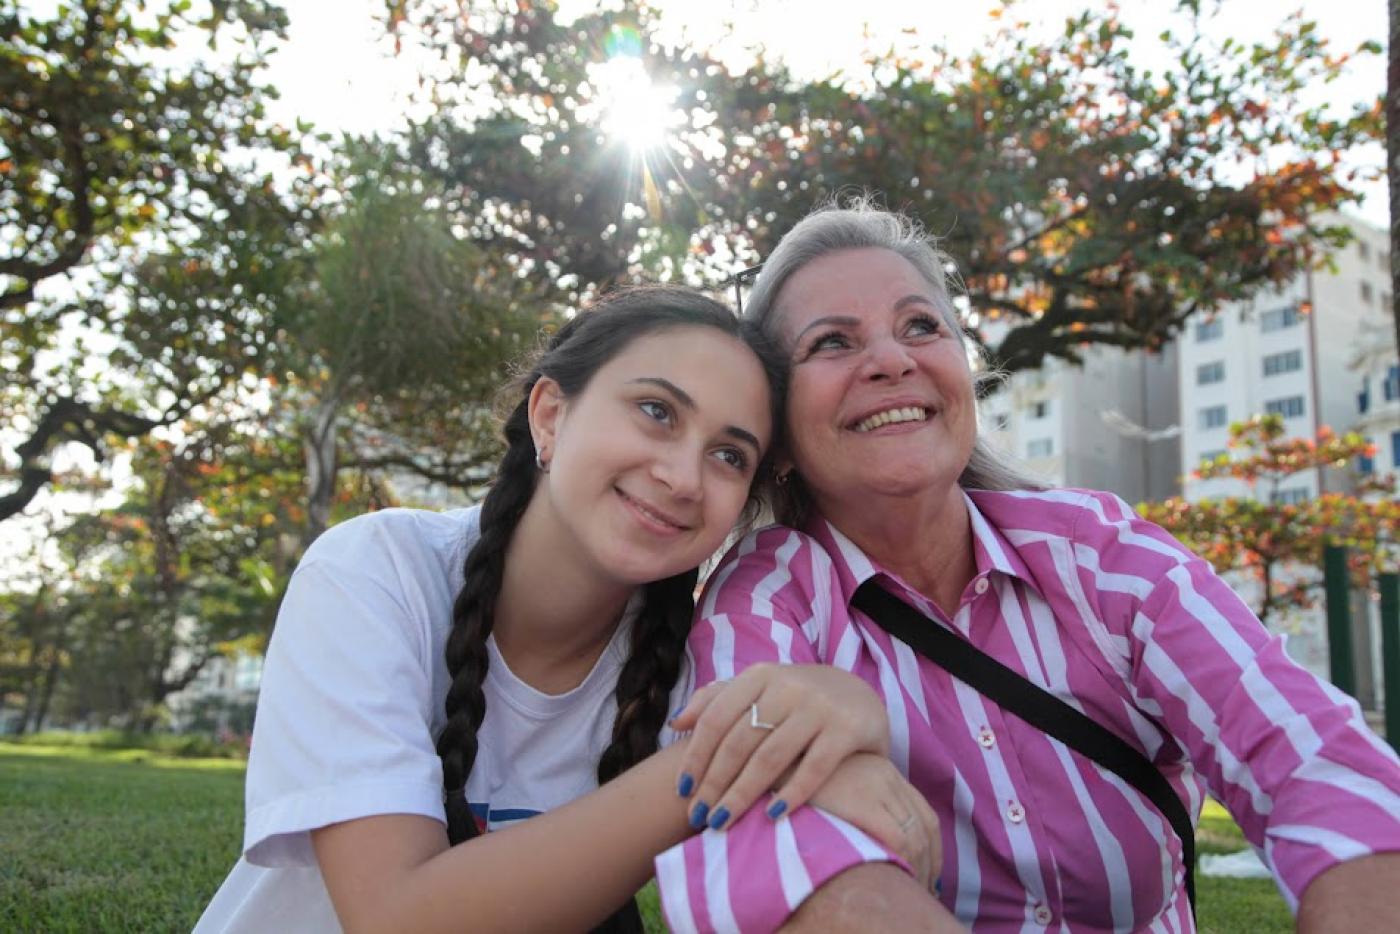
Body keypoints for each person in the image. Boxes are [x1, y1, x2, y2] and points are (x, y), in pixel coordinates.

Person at [654, 200, 1400, 932]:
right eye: (831, 343)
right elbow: (753, 843)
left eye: (921, 325)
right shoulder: (765, 594)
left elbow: (1314, 763)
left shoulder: (1102, 556)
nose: (891, 359)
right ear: (778, 437)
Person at [194, 286, 938, 933]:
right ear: (549, 415)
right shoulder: (376, 572)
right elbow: (396, 917)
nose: (683, 476)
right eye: (656, 411)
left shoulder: (687, 662)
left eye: (729, 456)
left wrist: (845, 711)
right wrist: (732, 756)